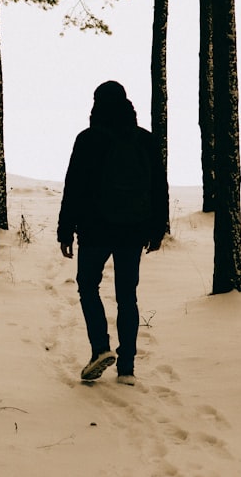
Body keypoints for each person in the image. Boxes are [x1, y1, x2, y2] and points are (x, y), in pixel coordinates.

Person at [57, 81, 169, 385]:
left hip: (94, 229)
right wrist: (158, 229)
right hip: (134, 230)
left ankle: (100, 349)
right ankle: (127, 368)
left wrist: (65, 230)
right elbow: (159, 187)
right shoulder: (146, 140)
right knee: (127, 297)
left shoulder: (88, 139)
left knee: (88, 286)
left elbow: (74, 188)